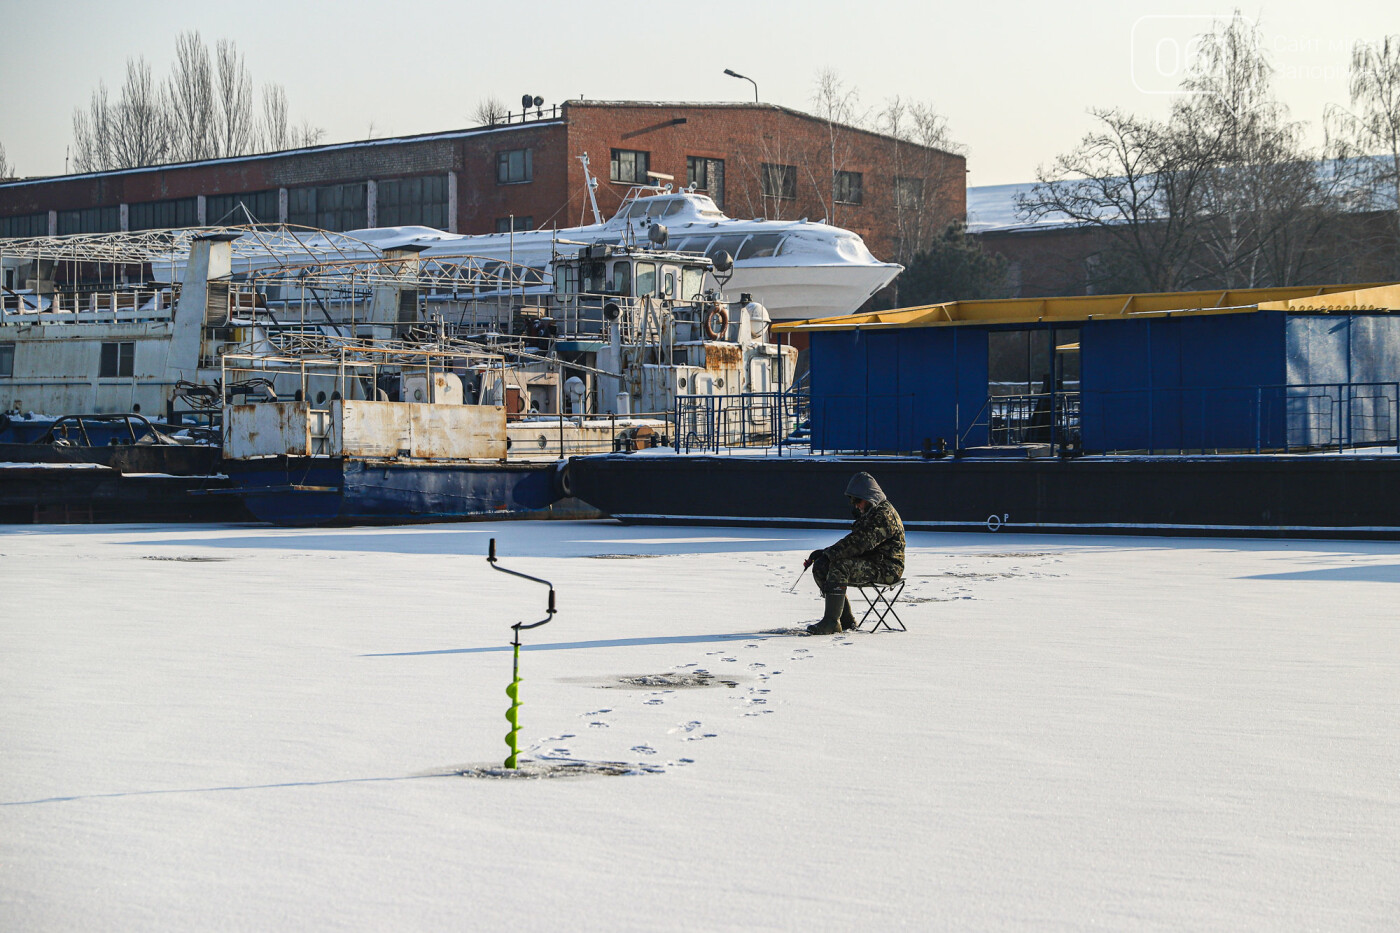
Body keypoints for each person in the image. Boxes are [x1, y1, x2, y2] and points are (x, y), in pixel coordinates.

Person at [804, 472, 905, 635]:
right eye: (852, 501)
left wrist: (830, 553)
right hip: (872, 562)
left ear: (869, 497)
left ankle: (831, 622)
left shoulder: (883, 515)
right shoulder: (871, 513)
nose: (855, 505)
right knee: (822, 566)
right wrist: (824, 554)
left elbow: (861, 543)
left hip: (887, 568)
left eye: (857, 500)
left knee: (839, 566)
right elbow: (855, 541)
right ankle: (845, 620)